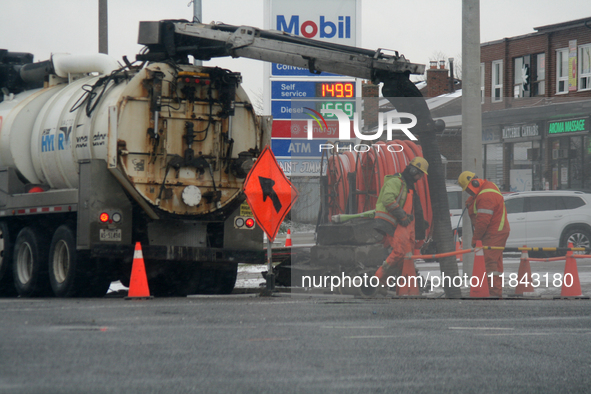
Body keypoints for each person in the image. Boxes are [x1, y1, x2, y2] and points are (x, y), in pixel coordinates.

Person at [374, 157, 429, 282]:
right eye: (420, 174)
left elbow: (410, 206)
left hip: (405, 225)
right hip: (395, 223)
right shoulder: (396, 182)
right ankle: (377, 278)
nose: (420, 178)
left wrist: (419, 222)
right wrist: (402, 215)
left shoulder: (408, 186)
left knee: (407, 255)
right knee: (399, 252)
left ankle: (403, 281)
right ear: (414, 171)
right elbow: (388, 200)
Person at [458, 171, 510, 297]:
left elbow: (482, 222)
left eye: (469, 191)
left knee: (489, 263)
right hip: (496, 231)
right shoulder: (487, 188)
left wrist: (475, 239)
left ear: (474, 183)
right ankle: (495, 292)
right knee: (494, 264)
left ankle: (493, 293)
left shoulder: (486, 195)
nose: (469, 193)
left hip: (494, 233)